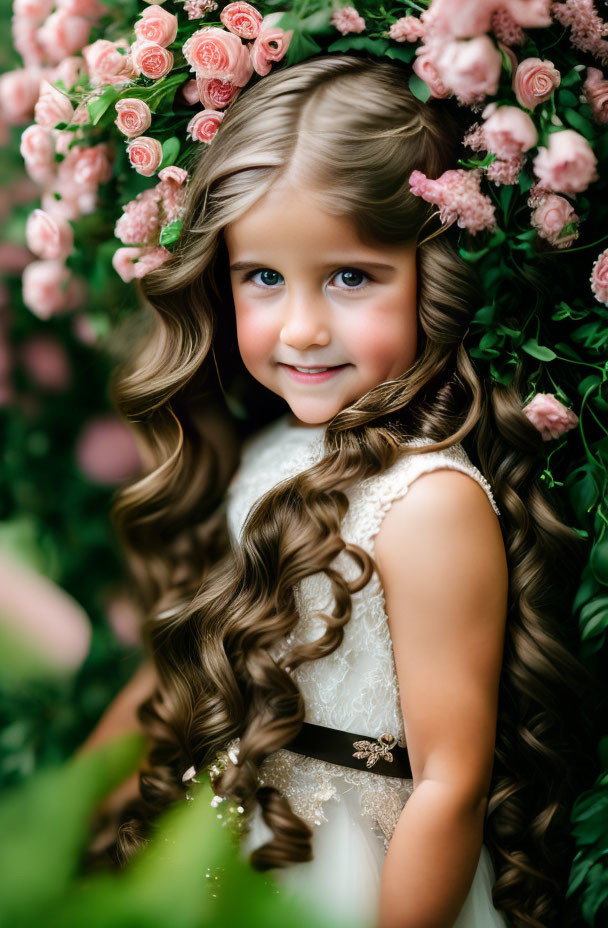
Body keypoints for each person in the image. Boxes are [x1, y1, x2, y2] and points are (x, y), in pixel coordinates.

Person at [81, 54, 592, 928]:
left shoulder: (428, 502)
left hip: (357, 874)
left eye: (351, 276)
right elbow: (192, 668)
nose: (304, 327)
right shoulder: (273, 449)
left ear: (430, 275)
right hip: (233, 849)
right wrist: (79, 807)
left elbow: (448, 783)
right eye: (264, 278)